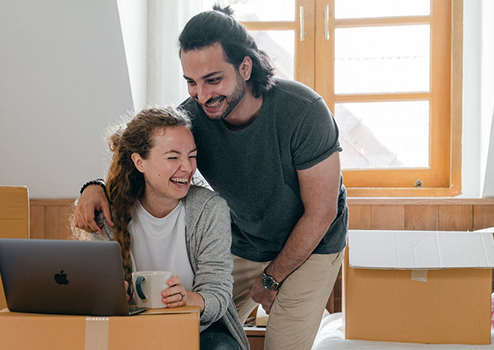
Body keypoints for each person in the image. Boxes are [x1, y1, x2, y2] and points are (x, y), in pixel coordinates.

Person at [75, 5, 348, 349]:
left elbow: (322, 212)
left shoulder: (304, 113)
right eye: (191, 82)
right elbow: (140, 153)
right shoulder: (195, 115)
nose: (202, 95)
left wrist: (272, 278)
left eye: (213, 80)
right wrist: (95, 187)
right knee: (197, 325)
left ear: (245, 68)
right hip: (246, 241)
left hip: (312, 245)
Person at [75, 106, 249, 350]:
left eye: (191, 155)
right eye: (173, 157)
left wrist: (189, 299)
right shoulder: (107, 213)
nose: (187, 168)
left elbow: (218, 293)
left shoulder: (210, 210)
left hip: (200, 332)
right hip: (131, 332)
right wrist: (111, 295)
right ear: (139, 162)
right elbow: (96, 290)